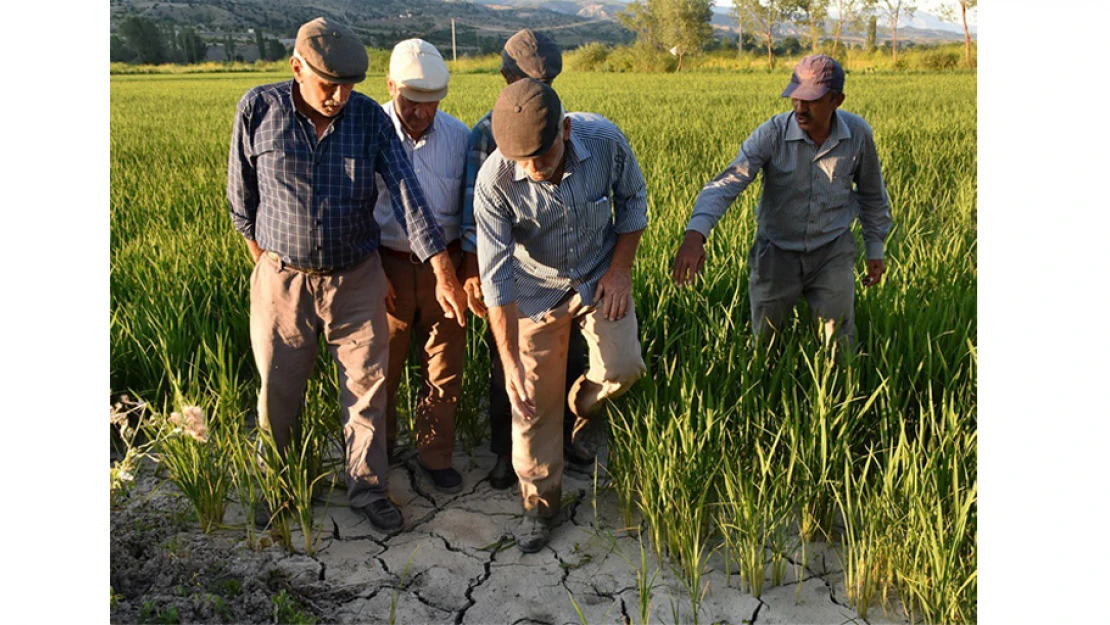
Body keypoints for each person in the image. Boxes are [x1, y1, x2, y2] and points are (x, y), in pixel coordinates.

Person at [226, 18, 467, 534]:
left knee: (366, 393)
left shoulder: (368, 121)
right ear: (297, 68)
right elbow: (241, 203)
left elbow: (408, 196)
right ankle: (280, 487)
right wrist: (269, 266)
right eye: (327, 84)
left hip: (357, 279)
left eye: (349, 86)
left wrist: (443, 270)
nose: (338, 96)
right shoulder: (258, 109)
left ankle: (367, 489)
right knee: (279, 393)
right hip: (282, 280)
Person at [474, 79, 648, 552]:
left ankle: (582, 408)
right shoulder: (494, 180)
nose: (532, 170)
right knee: (529, 402)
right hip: (534, 293)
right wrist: (509, 362)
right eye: (521, 161)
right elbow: (495, 276)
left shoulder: (604, 140)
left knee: (623, 368)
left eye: (542, 158)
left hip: (599, 276)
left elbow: (633, 201)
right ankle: (539, 507)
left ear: (565, 131)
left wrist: (620, 272)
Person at [672, 54, 892, 352]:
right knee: (765, 342)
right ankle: (763, 392)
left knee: (839, 343)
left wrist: (874, 249)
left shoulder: (857, 134)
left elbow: (871, 194)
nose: (800, 107)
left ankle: (839, 393)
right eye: (795, 97)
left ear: (836, 100)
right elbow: (727, 183)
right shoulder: (772, 133)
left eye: (811, 100)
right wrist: (694, 235)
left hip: (832, 250)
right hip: (776, 253)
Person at [460, 29, 590, 491]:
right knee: (508, 364)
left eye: (551, 78)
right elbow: (472, 206)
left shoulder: (558, 123)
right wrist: (473, 269)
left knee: (573, 359)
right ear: (506, 75)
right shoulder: (486, 130)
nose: (545, 86)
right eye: (535, 77)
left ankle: (565, 439)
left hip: (568, 273)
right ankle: (503, 452)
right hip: (512, 271)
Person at [373, 39, 471, 493]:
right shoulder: (367, 130)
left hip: (445, 271)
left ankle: (435, 455)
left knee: (445, 367)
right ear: (390, 85)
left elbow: (471, 212)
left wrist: (464, 269)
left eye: (431, 105)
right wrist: (370, 271)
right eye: (411, 103)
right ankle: (382, 451)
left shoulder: (459, 137)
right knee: (380, 369)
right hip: (384, 267)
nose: (420, 115)